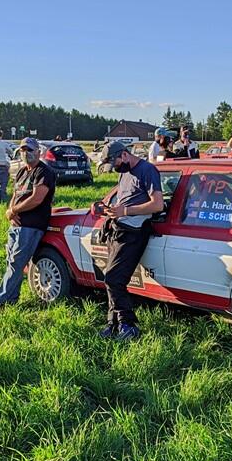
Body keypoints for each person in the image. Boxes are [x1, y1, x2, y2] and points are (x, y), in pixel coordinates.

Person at [93, 141, 164, 340]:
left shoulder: (147, 170)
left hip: (134, 232)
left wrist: (125, 211)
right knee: (111, 278)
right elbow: (125, 198)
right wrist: (111, 209)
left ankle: (128, 325)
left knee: (113, 278)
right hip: (118, 229)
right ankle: (113, 323)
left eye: (115, 164)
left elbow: (157, 204)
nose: (115, 169)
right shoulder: (124, 172)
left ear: (124, 155)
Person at [0, 138, 57, 306]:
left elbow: (37, 199)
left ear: (38, 151)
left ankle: (2, 300)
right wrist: (10, 211)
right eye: (23, 150)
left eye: (29, 150)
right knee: (11, 261)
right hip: (15, 224)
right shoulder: (22, 172)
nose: (26, 153)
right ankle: (11, 299)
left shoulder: (44, 172)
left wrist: (14, 210)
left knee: (16, 263)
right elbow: (15, 195)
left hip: (32, 225)